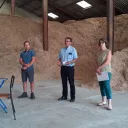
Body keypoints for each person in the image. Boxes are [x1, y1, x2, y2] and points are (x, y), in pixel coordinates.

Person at [57, 37, 78, 102]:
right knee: (64, 83)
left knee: (71, 83)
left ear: (70, 42)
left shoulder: (73, 49)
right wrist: (59, 62)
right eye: (65, 41)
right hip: (63, 68)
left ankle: (72, 97)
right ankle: (64, 96)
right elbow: (60, 58)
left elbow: (75, 59)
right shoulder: (62, 50)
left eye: (68, 41)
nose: (66, 42)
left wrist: (70, 62)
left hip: (70, 68)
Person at [96, 38, 112, 110]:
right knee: (102, 86)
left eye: (102, 43)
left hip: (106, 71)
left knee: (106, 86)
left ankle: (110, 104)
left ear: (105, 43)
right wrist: (97, 69)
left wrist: (99, 68)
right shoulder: (99, 52)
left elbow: (107, 61)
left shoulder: (108, 51)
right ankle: (103, 101)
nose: (101, 44)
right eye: (100, 43)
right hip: (100, 72)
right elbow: (97, 62)